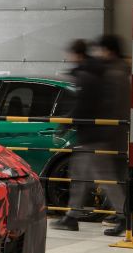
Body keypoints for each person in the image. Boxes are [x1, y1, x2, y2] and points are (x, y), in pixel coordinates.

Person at [51, 38, 126, 232]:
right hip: (95, 135)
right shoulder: (96, 73)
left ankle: (122, 215)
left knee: (98, 177)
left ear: (76, 54)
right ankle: (72, 216)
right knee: (83, 176)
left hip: (92, 136)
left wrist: (64, 125)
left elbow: (82, 107)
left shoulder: (87, 76)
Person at [93, 34, 130, 236]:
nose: (100, 54)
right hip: (119, 135)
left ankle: (123, 217)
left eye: (101, 50)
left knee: (107, 177)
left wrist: (102, 135)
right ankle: (122, 213)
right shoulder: (122, 71)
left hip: (110, 136)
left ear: (109, 50)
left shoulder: (113, 74)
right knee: (117, 178)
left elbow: (109, 107)